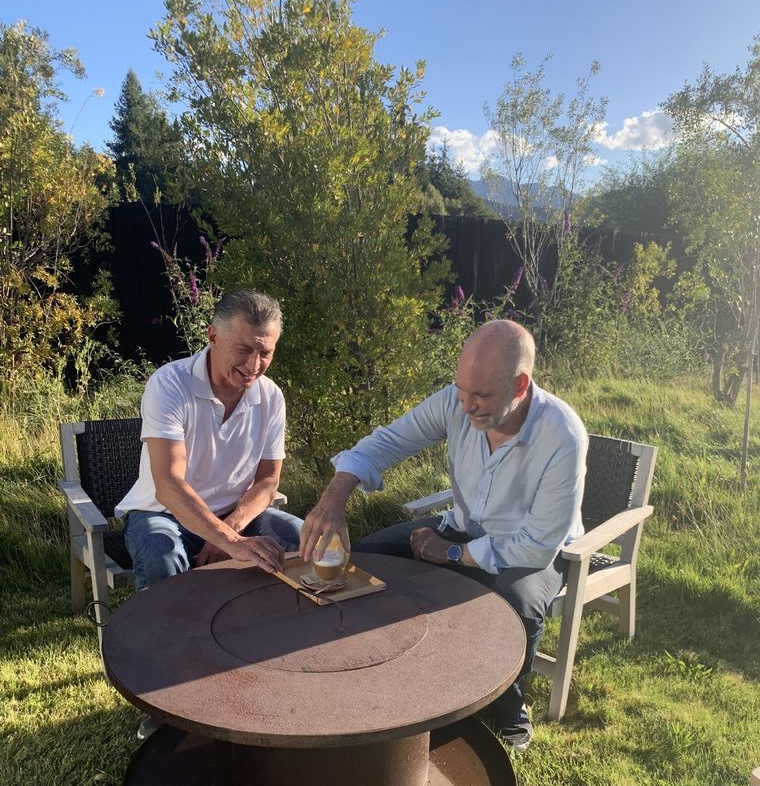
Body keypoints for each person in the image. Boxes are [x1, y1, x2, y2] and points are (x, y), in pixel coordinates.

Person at [300, 320, 587, 750]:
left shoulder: (562, 436)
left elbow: (538, 544)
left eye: (482, 396)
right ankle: (381, 672)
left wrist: (452, 553)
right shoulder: (456, 403)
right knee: (369, 557)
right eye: (461, 390)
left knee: (517, 602)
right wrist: (333, 498)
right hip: (462, 527)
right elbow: (385, 443)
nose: (467, 406)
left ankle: (509, 707)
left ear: (521, 384)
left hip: (532, 552)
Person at [116, 288, 304, 590]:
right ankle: (166, 636)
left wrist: (230, 530)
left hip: (236, 514)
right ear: (213, 336)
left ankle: (276, 630)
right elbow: (167, 485)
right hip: (164, 514)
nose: (254, 365)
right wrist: (230, 541)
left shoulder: (271, 397)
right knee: (161, 558)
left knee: (301, 539)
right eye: (244, 350)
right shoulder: (170, 385)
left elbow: (268, 481)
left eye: (265, 353)